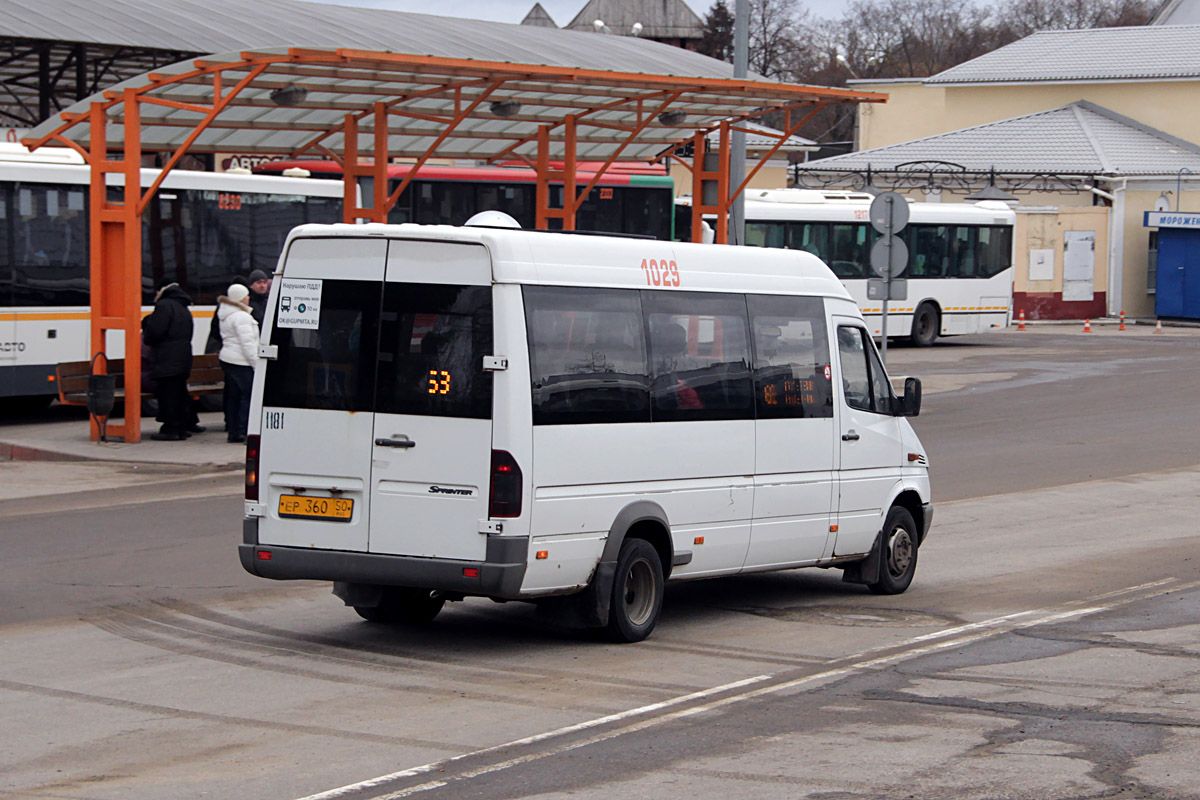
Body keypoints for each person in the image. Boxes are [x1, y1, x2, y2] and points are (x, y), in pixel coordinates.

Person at [142, 282, 196, 441]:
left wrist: (148, 338)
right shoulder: (183, 307)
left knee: (168, 395)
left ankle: (170, 429)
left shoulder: (164, 306)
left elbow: (155, 332)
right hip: (183, 357)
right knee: (179, 393)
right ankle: (181, 428)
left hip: (166, 358)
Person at [217, 283, 259, 443]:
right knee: (248, 397)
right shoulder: (242, 317)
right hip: (241, 361)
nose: (248, 298)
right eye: (246, 295)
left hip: (228, 359)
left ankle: (234, 431)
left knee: (234, 396)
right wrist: (256, 363)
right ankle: (244, 430)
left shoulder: (227, 314)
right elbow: (248, 343)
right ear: (240, 298)